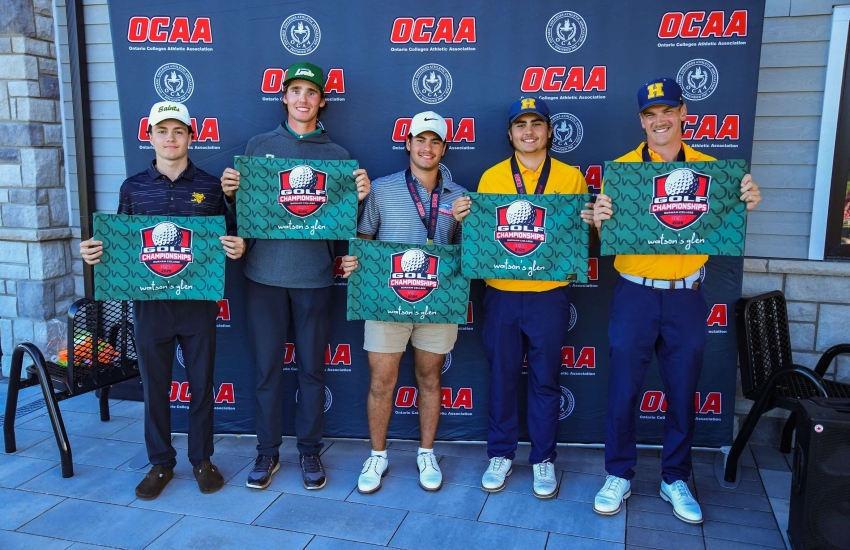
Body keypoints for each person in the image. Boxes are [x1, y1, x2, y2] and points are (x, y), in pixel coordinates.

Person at [591, 78, 761, 523]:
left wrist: (747, 199)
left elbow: (728, 215)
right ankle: (619, 474)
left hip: (687, 294)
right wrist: (598, 220)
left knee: (683, 391)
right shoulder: (623, 170)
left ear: (684, 112)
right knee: (624, 390)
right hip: (634, 292)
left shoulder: (712, 170)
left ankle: (675, 478)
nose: (659, 120)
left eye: (667, 111)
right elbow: (607, 234)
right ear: (641, 121)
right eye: (650, 114)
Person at [80, 101, 246, 500]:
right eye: (162, 131)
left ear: (192, 136)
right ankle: (160, 462)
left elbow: (234, 236)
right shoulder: (132, 187)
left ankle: (202, 459)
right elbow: (120, 247)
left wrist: (239, 244)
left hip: (196, 303)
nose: (170, 138)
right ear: (149, 136)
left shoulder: (210, 185)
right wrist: (95, 254)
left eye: (178, 131)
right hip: (150, 304)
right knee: (155, 385)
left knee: (201, 383)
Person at [219, 62, 370, 491]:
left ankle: (308, 451)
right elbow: (241, 221)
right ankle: (267, 453)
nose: (303, 99)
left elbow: (345, 226)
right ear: (284, 97)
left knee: (311, 372)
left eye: (311, 92)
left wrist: (358, 199)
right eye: (295, 90)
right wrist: (231, 195)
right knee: (266, 371)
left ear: (322, 100)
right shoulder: (259, 145)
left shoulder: (338, 157)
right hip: (263, 276)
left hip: (316, 278)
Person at [452, 97, 593, 499]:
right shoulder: (492, 178)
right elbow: (481, 243)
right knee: (501, 378)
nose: (528, 132)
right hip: (502, 296)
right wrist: (466, 220)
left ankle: (543, 459)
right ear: (510, 132)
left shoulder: (571, 178)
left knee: (546, 381)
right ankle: (500, 453)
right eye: (520, 125)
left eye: (536, 124)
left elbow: (585, 242)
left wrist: (590, 224)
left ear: (549, 131)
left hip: (549, 295)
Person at [339, 111, 465, 494]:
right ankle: (377, 455)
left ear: (444, 148)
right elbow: (364, 239)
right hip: (385, 302)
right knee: (381, 382)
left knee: (430, 378)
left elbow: (469, 256)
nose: (427, 148)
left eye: (436, 141)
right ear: (408, 143)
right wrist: (353, 258)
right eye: (420, 140)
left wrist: (466, 225)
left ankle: (426, 452)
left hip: (437, 304)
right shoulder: (381, 188)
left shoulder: (461, 196)